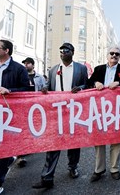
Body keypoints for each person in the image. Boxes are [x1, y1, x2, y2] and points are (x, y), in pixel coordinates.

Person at [32, 43, 88, 189]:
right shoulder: (53, 70)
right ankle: (47, 177)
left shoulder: (81, 69)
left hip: (75, 111)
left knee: (74, 142)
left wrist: (80, 88)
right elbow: (49, 86)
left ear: (72, 52)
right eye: (61, 51)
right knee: (54, 143)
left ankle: (72, 167)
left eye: (66, 50)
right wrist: (45, 89)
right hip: (56, 112)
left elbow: (87, 86)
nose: (63, 53)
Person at [0, 40, 30, 195]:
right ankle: (10, 157)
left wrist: (10, 90)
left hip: (8, 115)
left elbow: (27, 91)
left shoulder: (18, 69)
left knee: (2, 149)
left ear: (6, 51)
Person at [88, 46, 120, 182]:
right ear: (107, 55)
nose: (114, 56)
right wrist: (95, 82)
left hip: (117, 110)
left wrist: (119, 83)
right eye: (112, 53)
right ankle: (99, 169)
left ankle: (114, 168)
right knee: (99, 139)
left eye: (117, 54)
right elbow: (89, 83)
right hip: (99, 110)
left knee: (116, 139)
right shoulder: (98, 69)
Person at [16, 57, 46, 167]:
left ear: (33, 65)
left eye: (28, 63)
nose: (25, 65)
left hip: (36, 107)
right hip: (22, 107)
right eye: (24, 63)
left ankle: (30, 146)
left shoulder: (40, 77)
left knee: (32, 129)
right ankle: (20, 155)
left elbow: (45, 89)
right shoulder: (20, 76)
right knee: (21, 130)